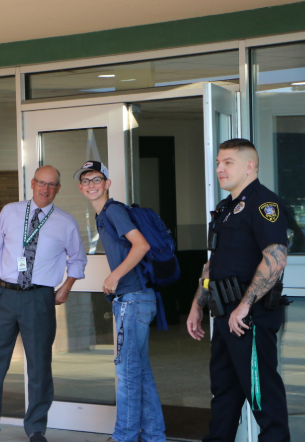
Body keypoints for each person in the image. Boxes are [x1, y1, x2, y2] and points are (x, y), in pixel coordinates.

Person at [0, 165, 87, 442]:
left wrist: (66, 286)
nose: (46, 189)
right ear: (32, 184)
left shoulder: (65, 222)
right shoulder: (11, 211)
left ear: (58, 188)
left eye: (52, 185)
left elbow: (78, 259)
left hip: (38, 299)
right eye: (41, 183)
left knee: (39, 365)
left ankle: (36, 427)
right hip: (3, 296)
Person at [185, 138, 292, 442]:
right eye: (218, 162)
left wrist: (244, 306)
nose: (219, 168)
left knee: (262, 395)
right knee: (224, 393)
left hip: (249, 317)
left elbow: (276, 257)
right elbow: (214, 263)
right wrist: (197, 304)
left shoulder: (264, 203)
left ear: (249, 166)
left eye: (227, 162)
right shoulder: (225, 208)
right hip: (223, 314)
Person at [76, 161, 164, 442]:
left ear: (107, 183)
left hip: (133, 299)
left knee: (127, 373)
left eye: (97, 179)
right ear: (80, 187)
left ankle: (123, 436)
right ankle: (153, 436)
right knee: (140, 372)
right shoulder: (103, 215)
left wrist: (113, 277)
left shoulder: (113, 210)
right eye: (86, 180)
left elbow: (141, 245)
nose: (91, 185)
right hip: (136, 299)